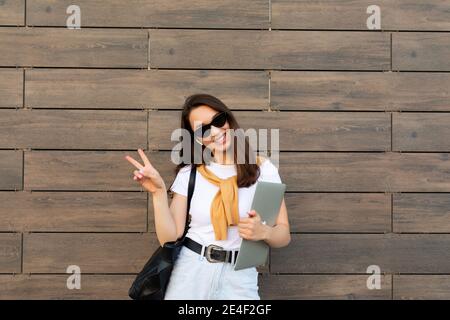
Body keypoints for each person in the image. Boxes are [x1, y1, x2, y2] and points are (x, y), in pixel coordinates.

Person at [125, 93, 291, 300]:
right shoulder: (190, 174)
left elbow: (283, 235)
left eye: (218, 121)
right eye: (203, 129)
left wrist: (264, 231)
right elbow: (169, 238)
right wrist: (158, 193)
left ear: (228, 120)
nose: (214, 132)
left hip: (240, 278)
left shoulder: (263, 169)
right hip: (190, 273)